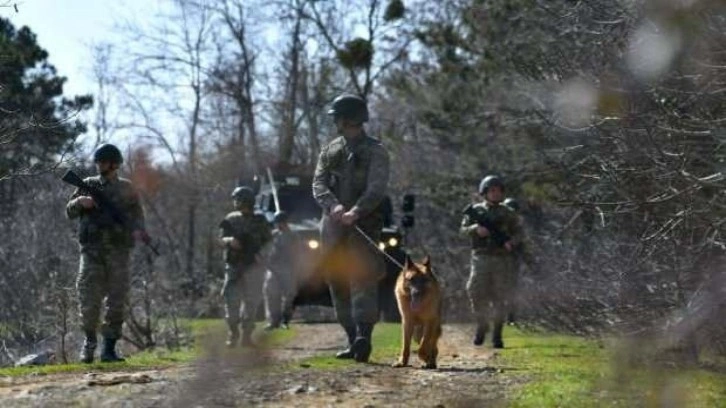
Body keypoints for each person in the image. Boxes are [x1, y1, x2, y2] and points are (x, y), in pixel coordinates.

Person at [312, 93, 390, 363]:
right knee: (337, 282)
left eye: (337, 117)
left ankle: (363, 338)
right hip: (333, 228)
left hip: (364, 225)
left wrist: (357, 211)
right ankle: (350, 338)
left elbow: (377, 188)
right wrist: (333, 207)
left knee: (363, 279)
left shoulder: (376, 150)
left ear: (347, 119)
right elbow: (318, 184)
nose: (335, 122)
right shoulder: (330, 150)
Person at [66, 143, 147, 363]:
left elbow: (138, 218)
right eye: (98, 162)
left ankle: (109, 349)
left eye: (103, 162)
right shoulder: (88, 184)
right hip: (91, 253)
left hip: (119, 253)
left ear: (114, 164)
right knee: (88, 300)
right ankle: (89, 342)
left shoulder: (127, 188)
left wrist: (139, 232)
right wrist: (79, 202)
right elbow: (69, 211)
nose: (99, 165)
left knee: (116, 302)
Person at [460, 175, 522, 349]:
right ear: (485, 192)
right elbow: (462, 230)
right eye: (492, 191)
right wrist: (475, 229)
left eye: (498, 191)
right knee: (474, 291)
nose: (495, 194)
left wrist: (511, 242)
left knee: (500, 297)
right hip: (480, 257)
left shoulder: (508, 213)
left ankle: (497, 334)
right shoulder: (476, 210)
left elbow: (519, 233)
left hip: (502, 259)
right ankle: (481, 323)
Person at [219, 186, 272, 347]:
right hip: (234, 266)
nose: (235, 202)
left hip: (253, 267)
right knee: (231, 301)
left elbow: (269, 242)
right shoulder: (230, 219)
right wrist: (230, 241)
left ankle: (247, 336)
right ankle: (233, 332)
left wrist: (261, 255)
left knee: (251, 302)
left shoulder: (260, 221)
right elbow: (221, 239)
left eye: (238, 199)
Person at [263, 211, 300, 330]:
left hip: (288, 268)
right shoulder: (273, 235)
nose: (278, 225)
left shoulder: (293, 236)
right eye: (277, 223)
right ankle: (273, 321)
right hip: (273, 268)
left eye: (281, 222)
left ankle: (285, 320)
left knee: (289, 295)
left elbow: (297, 252)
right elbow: (266, 249)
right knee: (271, 294)